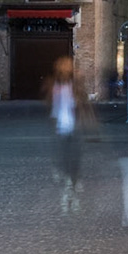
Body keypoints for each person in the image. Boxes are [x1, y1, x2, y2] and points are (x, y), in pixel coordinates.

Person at [47, 56, 83, 212]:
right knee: (66, 156)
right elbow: (54, 106)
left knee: (72, 157)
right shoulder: (57, 85)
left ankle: (71, 179)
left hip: (73, 126)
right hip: (63, 126)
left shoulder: (74, 86)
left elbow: (79, 104)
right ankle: (69, 178)